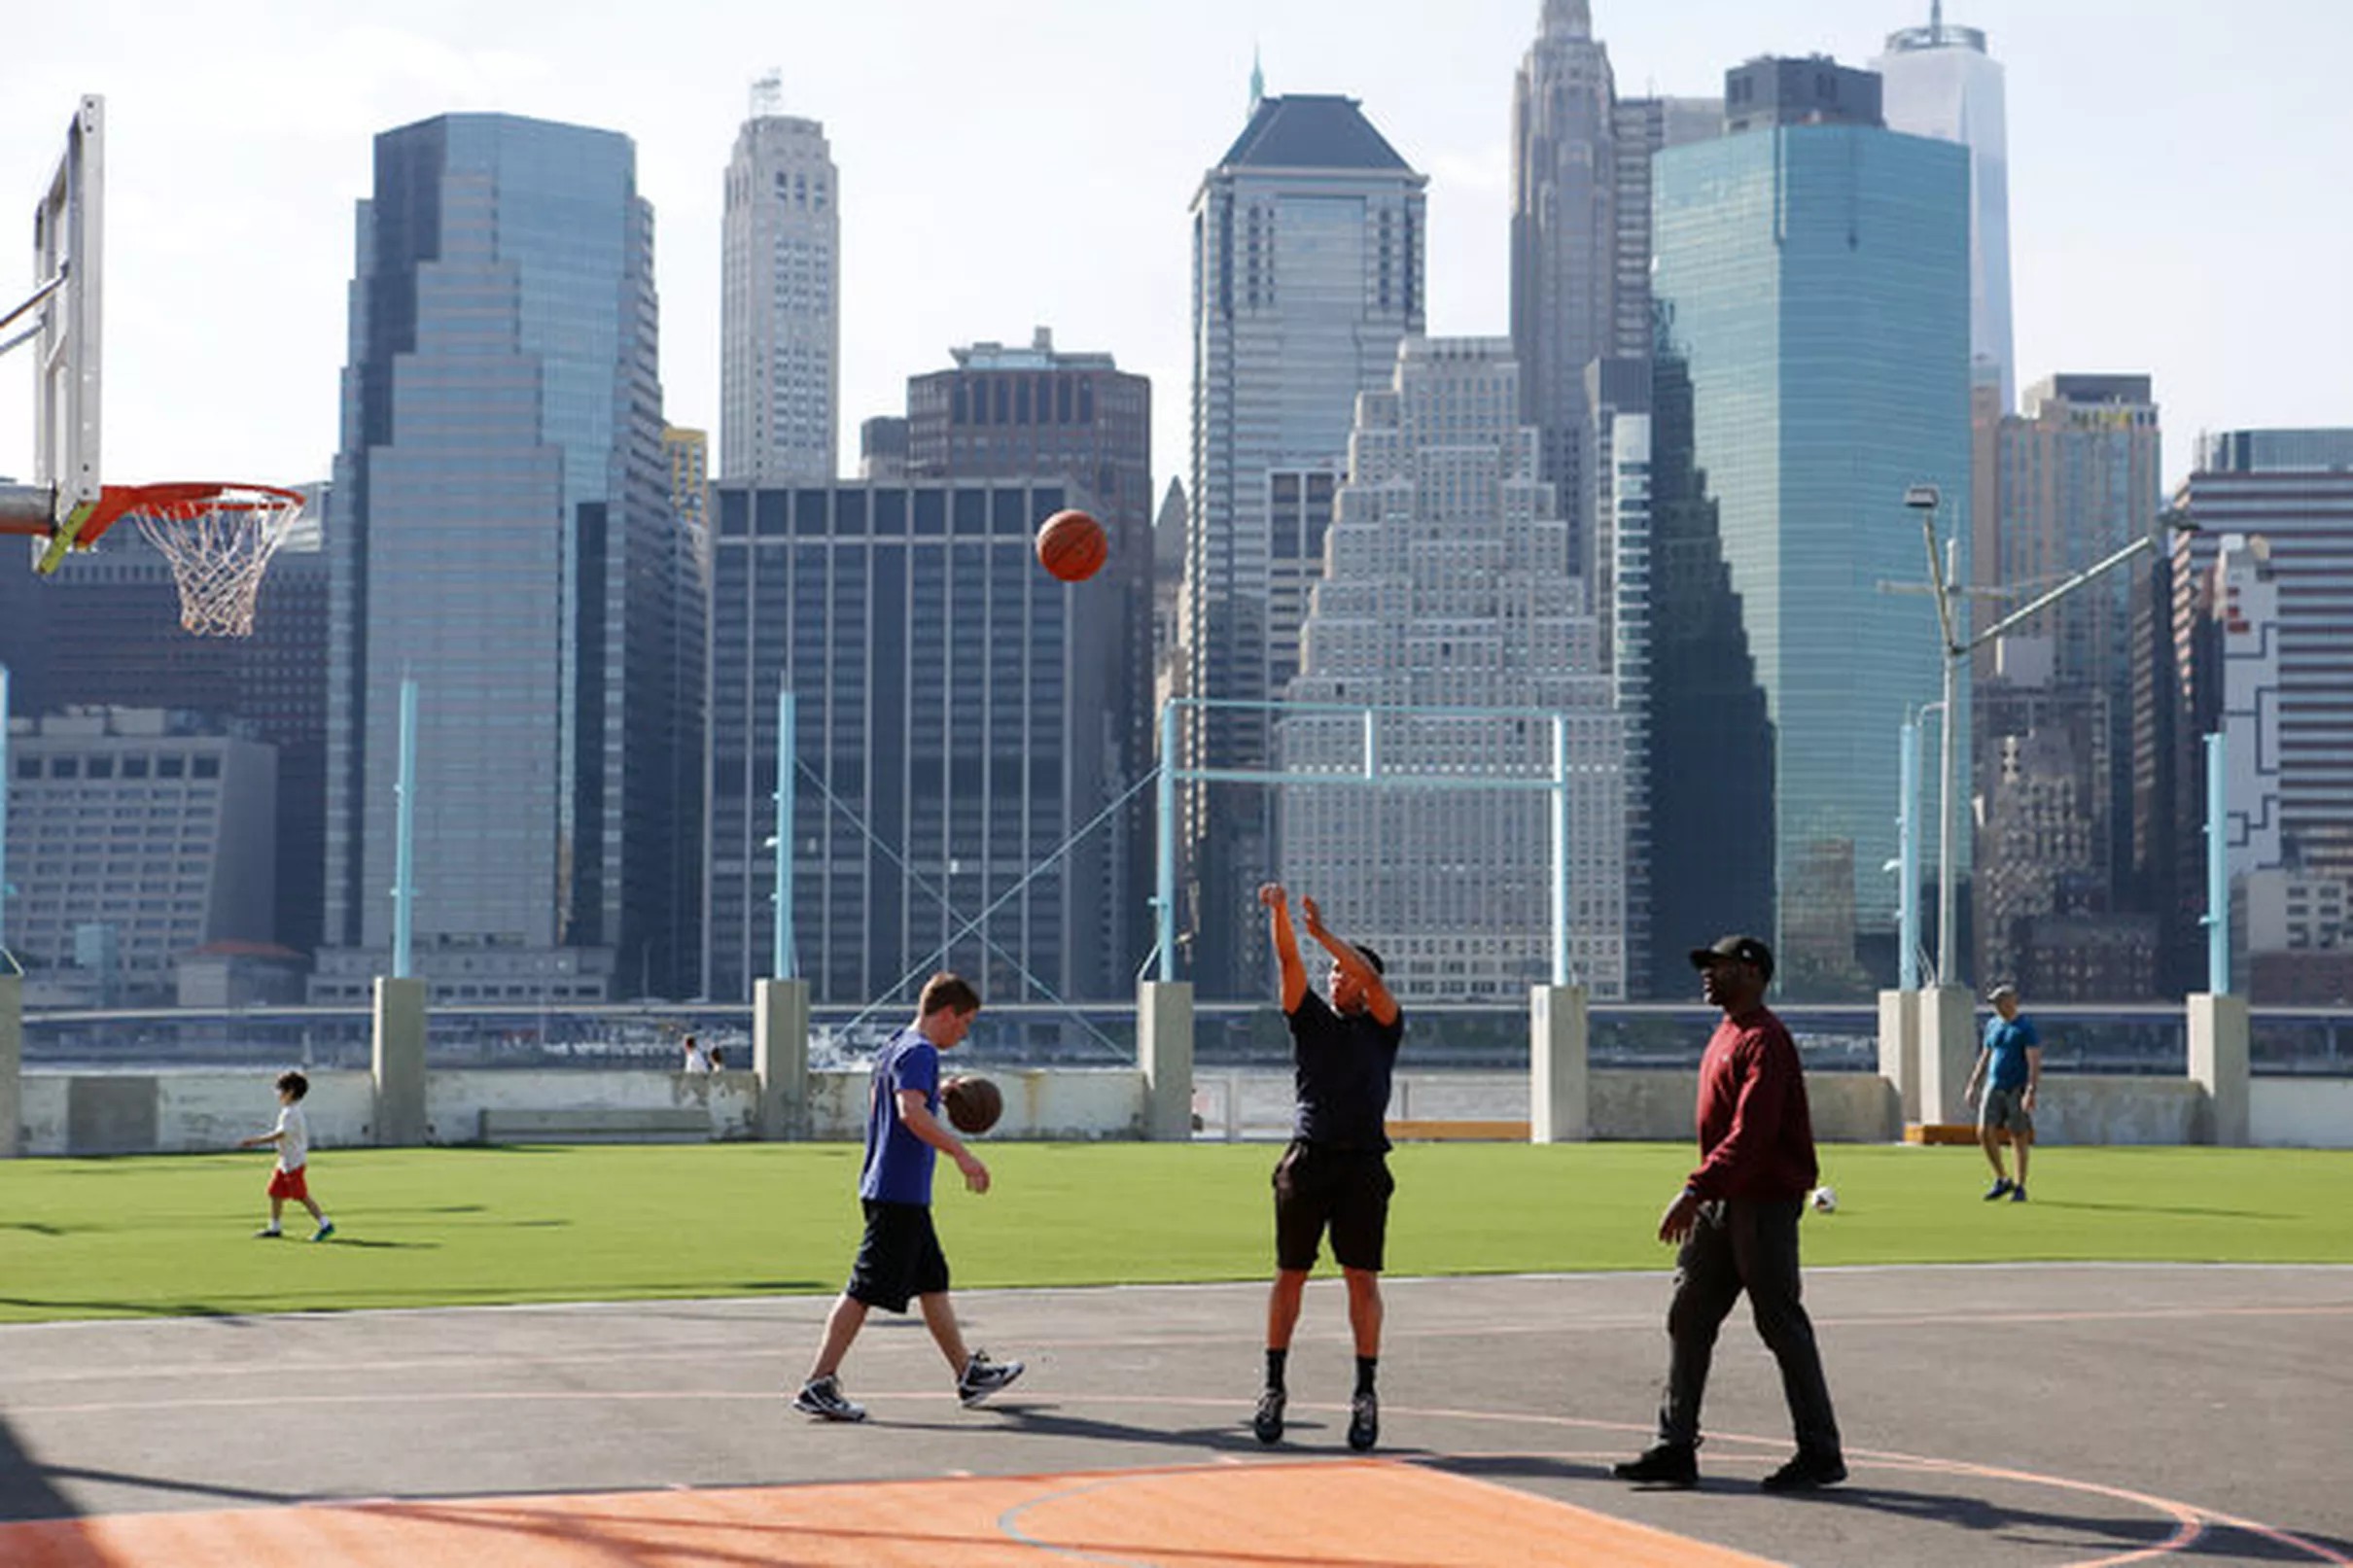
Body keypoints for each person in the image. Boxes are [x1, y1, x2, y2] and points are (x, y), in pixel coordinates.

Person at [1614, 935, 1844, 1492]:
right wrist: (1708, 1193)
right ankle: (1675, 1445)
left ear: (1753, 973)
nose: (1707, 975)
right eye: (1706, 965)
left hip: (1761, 1201)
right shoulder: (1725, 1034)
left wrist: (1695, 1189)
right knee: (1688, 1314)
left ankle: (1820, 1452)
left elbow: (1755, 1133)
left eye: (1718, 967)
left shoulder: (1767, 1039)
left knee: (1780, 1324)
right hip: (1723, 1200)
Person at [792, 972, 1024, 1422]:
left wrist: (940, 1093)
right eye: (965, 1022)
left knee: (932, 1281)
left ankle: (968, 1374)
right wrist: (961, 1153)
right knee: (862, 1290)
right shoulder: (919, 1051)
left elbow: (909, 1098)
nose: (965, 1032)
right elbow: (909, 1113)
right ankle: (817, 1382)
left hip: (896, 1189)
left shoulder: (899, 1044)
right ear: (945, 1013)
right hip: (897, 1192)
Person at [1251, 883, 1404, 1453]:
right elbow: (1290, 961)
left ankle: (1365, 1394)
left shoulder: (1385, 1028)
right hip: (1308, 1159)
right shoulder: (1310, 1020)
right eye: (1334, 973)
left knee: (1360, 1277)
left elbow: (1371, 979)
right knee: (1290, 1273)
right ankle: (1273, 1387)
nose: (1337, 978)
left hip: (1363, 1164)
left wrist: (1325, 935)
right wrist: (1283, 915)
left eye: (1347, 972)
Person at [1964, 983, 2041, 1202]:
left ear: (2011, 1001)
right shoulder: (1993, 1025)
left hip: (2015, 1087)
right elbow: (1985, 1055)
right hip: (1993, 1085)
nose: (1996, 1007)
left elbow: (2033, 1060)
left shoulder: (2025, 1027)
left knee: (2018, 1136)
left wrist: (2030, 1091)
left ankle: (2020, 1185)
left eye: (2000, 1002)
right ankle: (2002, 1178)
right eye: (1994, 1003)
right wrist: (1973, 1084)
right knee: (1983, 1131)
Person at [238, 1070, 334, 1241]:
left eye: (280, 1089)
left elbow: (279, 1134)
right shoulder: (288, 1111)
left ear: (290, 1092)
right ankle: (274, 1227)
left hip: (294, 1163)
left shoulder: (292, 1113)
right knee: (275, 1192)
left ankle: (325, 1224)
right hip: (284, 1162)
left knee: (301, 1196)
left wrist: (254, 1141)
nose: (277, 1093)